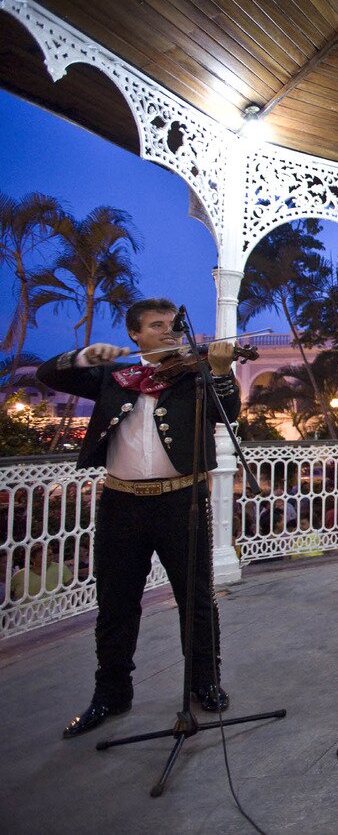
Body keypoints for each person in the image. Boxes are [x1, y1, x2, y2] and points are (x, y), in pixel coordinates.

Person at [36, 298, 239, 738]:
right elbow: (48, 373)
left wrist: (221, 372)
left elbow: (232, 411)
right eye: (156, 325)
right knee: (116, 602)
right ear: (134, 333)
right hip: (121, 502)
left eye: (173, 325)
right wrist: (85, 356)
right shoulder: (112, 376)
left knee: (196, 597)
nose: (169, 332)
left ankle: (205, 681)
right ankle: (111, 693)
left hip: (180, 500)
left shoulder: (196, 374)